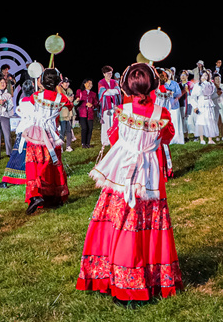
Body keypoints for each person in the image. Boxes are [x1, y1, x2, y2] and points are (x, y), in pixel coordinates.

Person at [76, 62, 182, 301]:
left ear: (126, 86)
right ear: (153, 84)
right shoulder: (161, 114)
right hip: (150, 176)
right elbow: (167, 138)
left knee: (119, 222)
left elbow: (114, 137)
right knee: (148, 225)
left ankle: (117, 277)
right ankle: (151, 276)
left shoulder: (122, 111)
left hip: (121, 174)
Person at [22, 68, 73, 214]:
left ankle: (35, 195)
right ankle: (54, 197)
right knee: (52, 165)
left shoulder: (36, 96)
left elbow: (29, 105)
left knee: (34, 165)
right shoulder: (61, 98)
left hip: (36, 135)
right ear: (57, 82)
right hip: (51, 135)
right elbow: (69, 106)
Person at [0, 79, 37, 188]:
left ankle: (8, 179)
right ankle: (26, 177)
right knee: (29, 154)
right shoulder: (35, 100)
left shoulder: (22, 101)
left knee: (17, 154)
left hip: (23, 128)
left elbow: (20, 111)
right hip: (32, 130)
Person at [189, 70, 219, 144]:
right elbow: (193, 97)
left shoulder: (211, 84)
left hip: (209, 103)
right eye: (203, 75)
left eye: (206, 75)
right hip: (201, 104)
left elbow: (213, 94)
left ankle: (210, 139)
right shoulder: (197, 85)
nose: (204, 77)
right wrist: (195, 106)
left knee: (210, 120)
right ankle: (201, 139)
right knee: (201, 121)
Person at [98, 66, 121, 147]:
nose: (110, 75)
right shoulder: (101, 82)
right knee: (106, 124)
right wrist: (112, 91)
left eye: (111, 73)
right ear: (104, 74)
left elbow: (118, 91)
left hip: (114, 105)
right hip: (106, 106)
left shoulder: (114, 81)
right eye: (108, 73)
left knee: (114, 122)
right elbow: (103, 92)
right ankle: (105, 141)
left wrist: (108, 91)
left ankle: (114, 139)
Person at [74, 79, 98, 149]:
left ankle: (88, 143)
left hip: (90, 113)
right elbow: (77, 99)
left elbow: (96, 103)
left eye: (91, 84)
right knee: (84, 128)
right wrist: (78, 100)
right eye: (88, 83)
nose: (90, 85)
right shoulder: (80, 92)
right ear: (84, 84)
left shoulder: (93, 94)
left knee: (90, 128)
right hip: (82, 113)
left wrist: (92, 105)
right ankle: (83, 143)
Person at [58, 78, 75, 152]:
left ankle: (68, 146)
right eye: (65, 82)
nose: (67, 84)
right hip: (62, 114)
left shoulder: (70, 90)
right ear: (61, 83)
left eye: (68, 82)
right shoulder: (59, 90)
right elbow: (62, 99)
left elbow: (71, 99)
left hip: (69, 113)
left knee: (69, 130)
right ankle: (60, 146)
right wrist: (67, 99)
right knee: (62, 131)